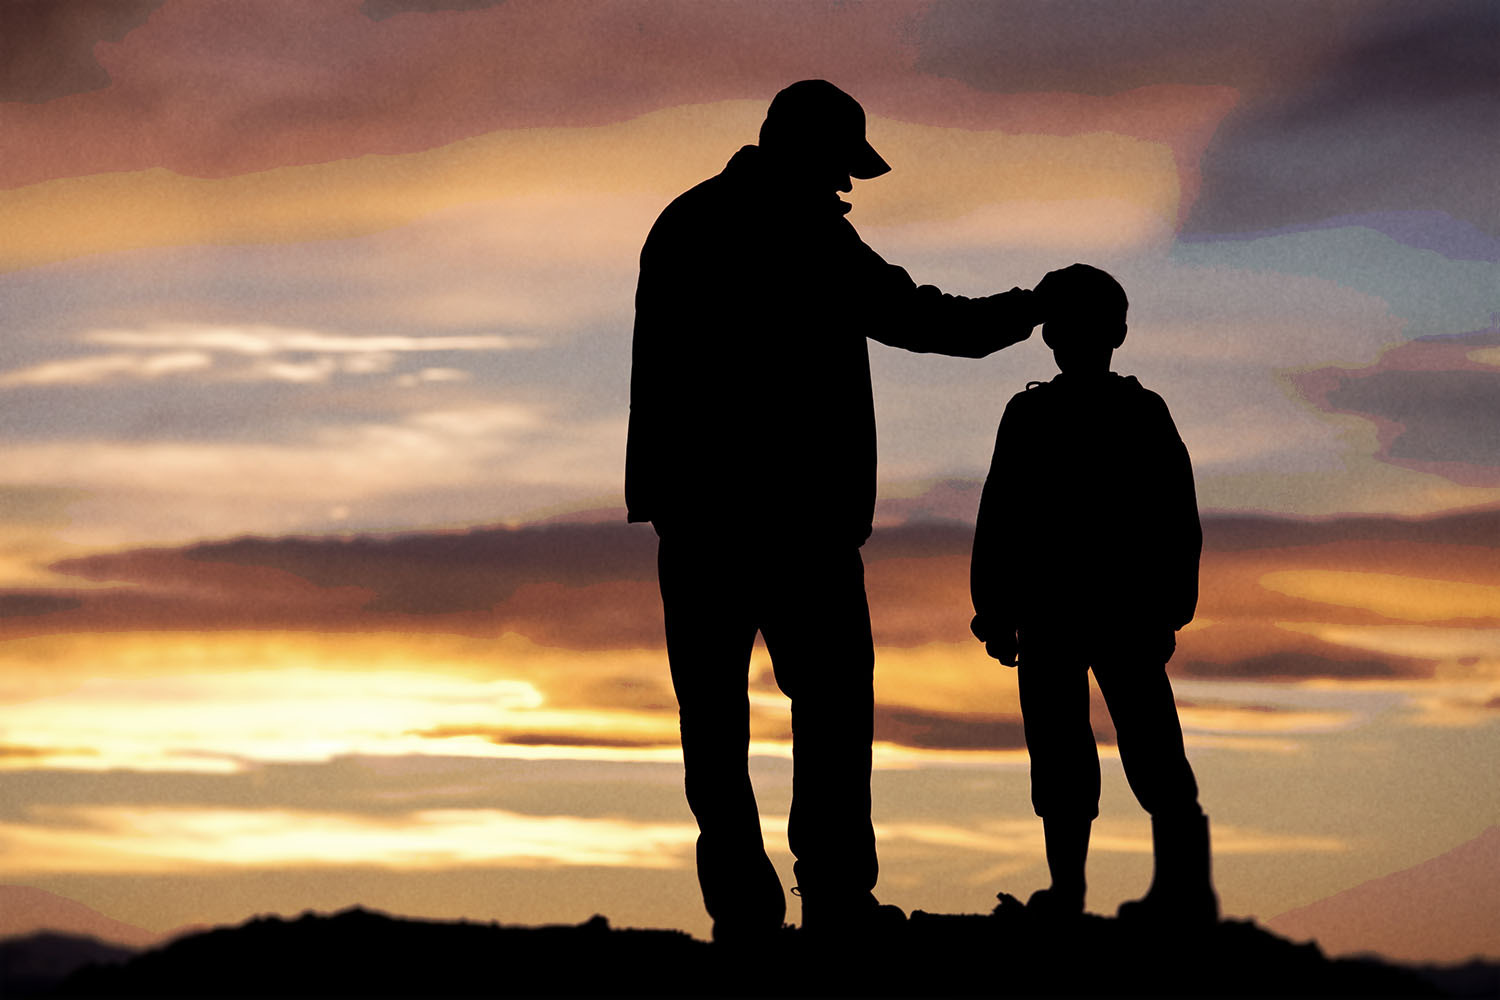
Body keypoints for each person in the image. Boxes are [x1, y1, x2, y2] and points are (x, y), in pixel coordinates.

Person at [626, 79, 1045, 941]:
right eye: (840, 167)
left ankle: (748, 913)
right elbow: (926, 320)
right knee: (829, 707)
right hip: (797, 520)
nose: (846, 186)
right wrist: (1034, 307)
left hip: (699, 517)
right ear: (807, 153)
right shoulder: (807, 233)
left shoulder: (685, 221)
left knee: (714, 721)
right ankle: (838, 902)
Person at [969, 263, 1218, 924]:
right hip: (1061, 615)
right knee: (1067, 753)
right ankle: (1077, 893)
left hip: (1113, 613)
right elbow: (1002, 515)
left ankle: (1175, 889)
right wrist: (995, 610)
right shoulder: (1041, 414)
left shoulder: (1130, 414)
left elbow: (1176, 516)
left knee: (1143, 748)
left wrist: (1170, 604)